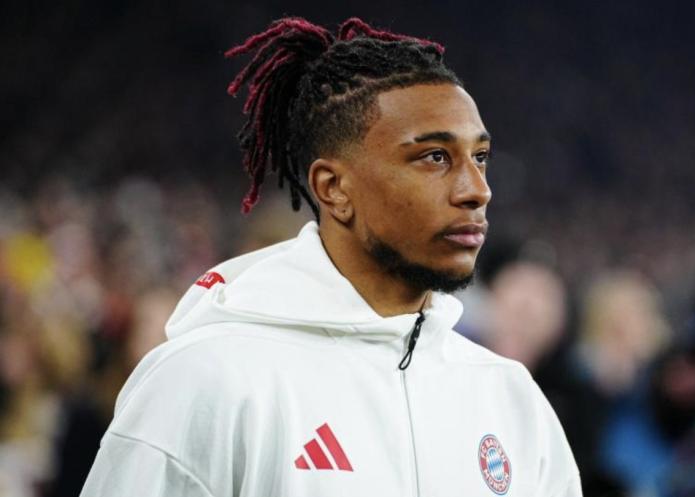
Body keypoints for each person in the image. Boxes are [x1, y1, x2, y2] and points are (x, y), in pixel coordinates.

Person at [80, 17, 582, 496]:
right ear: (333, 187)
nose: (477, 190)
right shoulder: (207, 379)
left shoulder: (510, 398)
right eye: (435, 157)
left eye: (480, 158)